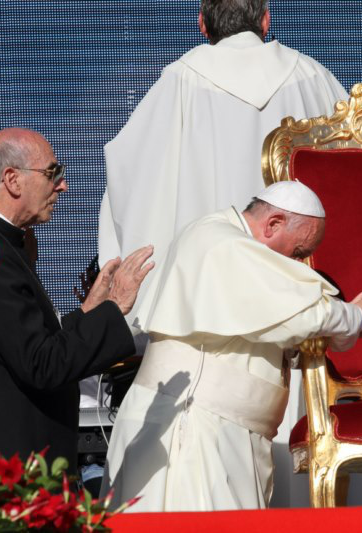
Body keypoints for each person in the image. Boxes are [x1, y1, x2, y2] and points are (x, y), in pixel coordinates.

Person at [101, 181, 362, 511]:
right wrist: (357, 317)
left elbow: (284, 325)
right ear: (273, 224)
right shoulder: (220, 242)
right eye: (298, 252)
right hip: (193, 431)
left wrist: (350, 319)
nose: (298, 265)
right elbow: (302, 315)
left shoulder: (240, 252)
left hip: (228, 433)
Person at [99, 0, 349, 334]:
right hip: (303, 290)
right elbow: (355, 169)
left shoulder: (179, 80)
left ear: (202, 24)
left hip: (207, 302)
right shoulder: (314, 77)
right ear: (265, 20)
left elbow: (131, 173)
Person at [0, 127, 155, 476]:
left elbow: (31, 343)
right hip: (5, 468)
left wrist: (89, 312)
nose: (63, 186)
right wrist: (114, 307)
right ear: (13, 180)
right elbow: (41, 364)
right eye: (52, 173)